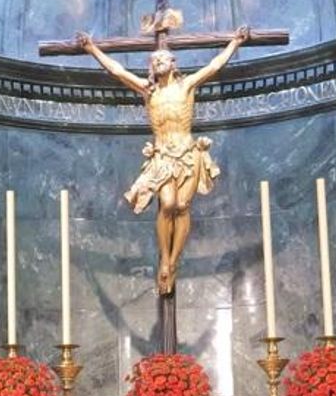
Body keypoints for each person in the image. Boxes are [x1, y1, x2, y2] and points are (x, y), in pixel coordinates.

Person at [76, 27, 249, 301]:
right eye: (154, 60)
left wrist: (235, 43)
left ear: (173, 63)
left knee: (182, 206)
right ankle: (165, 260)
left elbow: (214, 66)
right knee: (167, 204)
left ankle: (173, 262)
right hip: (163, 157)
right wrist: (91, 49)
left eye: (162, 59)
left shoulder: (186, 85)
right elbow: (117, 71)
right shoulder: (148, 91)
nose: (157, 62)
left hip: (188, 154)